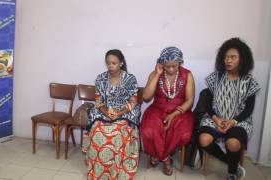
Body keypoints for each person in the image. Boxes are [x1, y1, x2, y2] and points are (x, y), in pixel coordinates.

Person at [198, 37, 260, 180]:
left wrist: (232, 122)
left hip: (239, 121)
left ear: (242, 59)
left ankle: (231, 172)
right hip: (215, 119)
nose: (228, 60)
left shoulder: (249, 82)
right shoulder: (216, 78)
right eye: (226, 57)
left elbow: (249, 110)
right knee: (203, 140)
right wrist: (216, 119)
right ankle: (231, 162)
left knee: (232, 142)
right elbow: (207, 102)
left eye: (233, 57)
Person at [82, 49, 141, 180]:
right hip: (105, 111)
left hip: (124, 112)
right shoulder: (101, 78)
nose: (111, 66)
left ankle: (117, 169)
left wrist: (118, 113)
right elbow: (98, 100)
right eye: (108, 63)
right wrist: (107, 113)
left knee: (118, 131)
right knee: (97, 130)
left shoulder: (130, 79)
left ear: (121, 63)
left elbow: (134, 101)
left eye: (114, 63)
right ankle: (99, 169)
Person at [140, 47, 195, 175]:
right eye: (167, 66)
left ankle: (159, 156)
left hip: (180, 111)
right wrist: (157, 74)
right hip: (157, 108)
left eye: (174, 66)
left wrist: (174, 114)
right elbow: (146, 97)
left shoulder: (187, 75)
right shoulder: (155, 73)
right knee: (148, 130)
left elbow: (190, 100)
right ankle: (165, 159)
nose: (170, 69)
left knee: (182, 133)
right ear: (162, 63)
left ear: (180, 63)